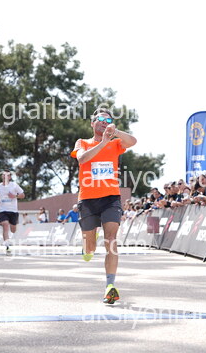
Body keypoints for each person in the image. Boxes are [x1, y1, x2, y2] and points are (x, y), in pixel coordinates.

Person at [70, 107, 136, 304]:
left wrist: (115, 133)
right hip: (88, 199)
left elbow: (133, 141)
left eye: (107, 120)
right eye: (100, 119)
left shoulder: (116, 143)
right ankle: (89, 243)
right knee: (89, 249)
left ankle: (110, 286)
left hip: (110, 198)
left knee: (111, 240)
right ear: (92, 124)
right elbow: (82, 159)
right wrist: (103, 142)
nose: (103, 122)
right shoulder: (82, 142)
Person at [0, 170, 25, 255]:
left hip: (13, 211)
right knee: (5, 225)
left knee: (13, 230)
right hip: (3, 210)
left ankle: (6, 223)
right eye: (3, 175)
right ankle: (7, 247)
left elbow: (23, 195)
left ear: (9, 177)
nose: (4, 176)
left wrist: (15, 196)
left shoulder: (14, 185)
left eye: (6, 175)